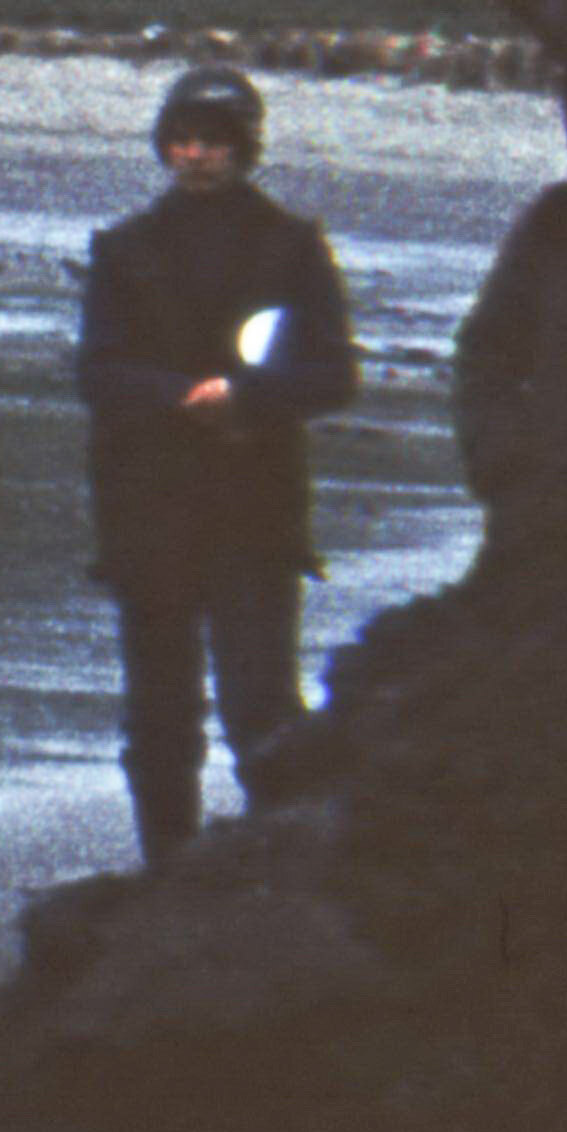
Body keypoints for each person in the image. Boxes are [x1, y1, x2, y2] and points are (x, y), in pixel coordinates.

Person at [72, 61, 365, 866]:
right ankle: (166, 867)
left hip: (254, 510)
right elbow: (96, 372)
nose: (196, 154)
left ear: (244, 148)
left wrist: (246, 397)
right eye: (182, 139)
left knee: (260, 704)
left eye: (213, 141)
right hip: (148, 508)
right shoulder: (125, 248)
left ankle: (275, 869)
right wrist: (180, 396)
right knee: (159, 717)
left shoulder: (293, 247)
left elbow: (335, 374)